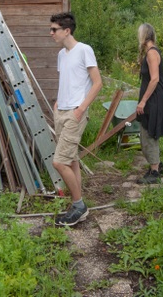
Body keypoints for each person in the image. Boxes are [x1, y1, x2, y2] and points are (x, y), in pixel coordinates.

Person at [50, 12, 103, 226]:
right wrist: (57, 102)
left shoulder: (84, 50)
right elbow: (68, 81)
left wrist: (81, 109)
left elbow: (97, 83)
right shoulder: (62, 55)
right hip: (61, 111)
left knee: (59, 161)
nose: (51, 33)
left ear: (67, 31)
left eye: (54, 29)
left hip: (74, 113)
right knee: (71, 160)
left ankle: (79, 205)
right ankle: (76, 205)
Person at [135, 23, 163, 185]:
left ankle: (155, 171)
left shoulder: (151, 53)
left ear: (144, 35)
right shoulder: (151, 51)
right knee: (147, 131)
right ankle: (156, 165)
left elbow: (155, 79)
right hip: (154, 98)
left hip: (154, 99)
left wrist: (143, 101)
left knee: (149, 132)